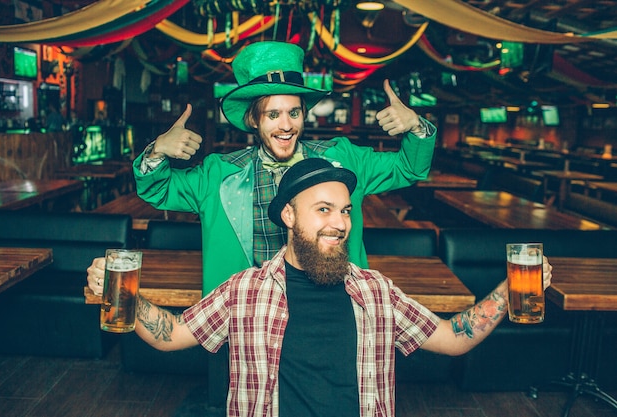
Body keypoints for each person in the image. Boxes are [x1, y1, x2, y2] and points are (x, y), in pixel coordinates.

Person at [119, 158, 553, 416]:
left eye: (345, 211)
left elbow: (453, 339)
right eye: (323, 209)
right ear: (289, 216)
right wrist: (121, 293)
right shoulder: (246, 290)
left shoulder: (376, 291)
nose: (340, 223)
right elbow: (172, 335)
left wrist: (507, 291)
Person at [87, 40, 437, 296]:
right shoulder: (217, 173)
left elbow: (409, 168)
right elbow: (156, 190)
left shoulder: (343, 158)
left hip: (329, 307)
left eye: (294, 112)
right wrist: (157, 151)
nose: (286, 125)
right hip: (245, 315)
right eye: (273, 114)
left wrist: (416, 126)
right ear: (254, 119)